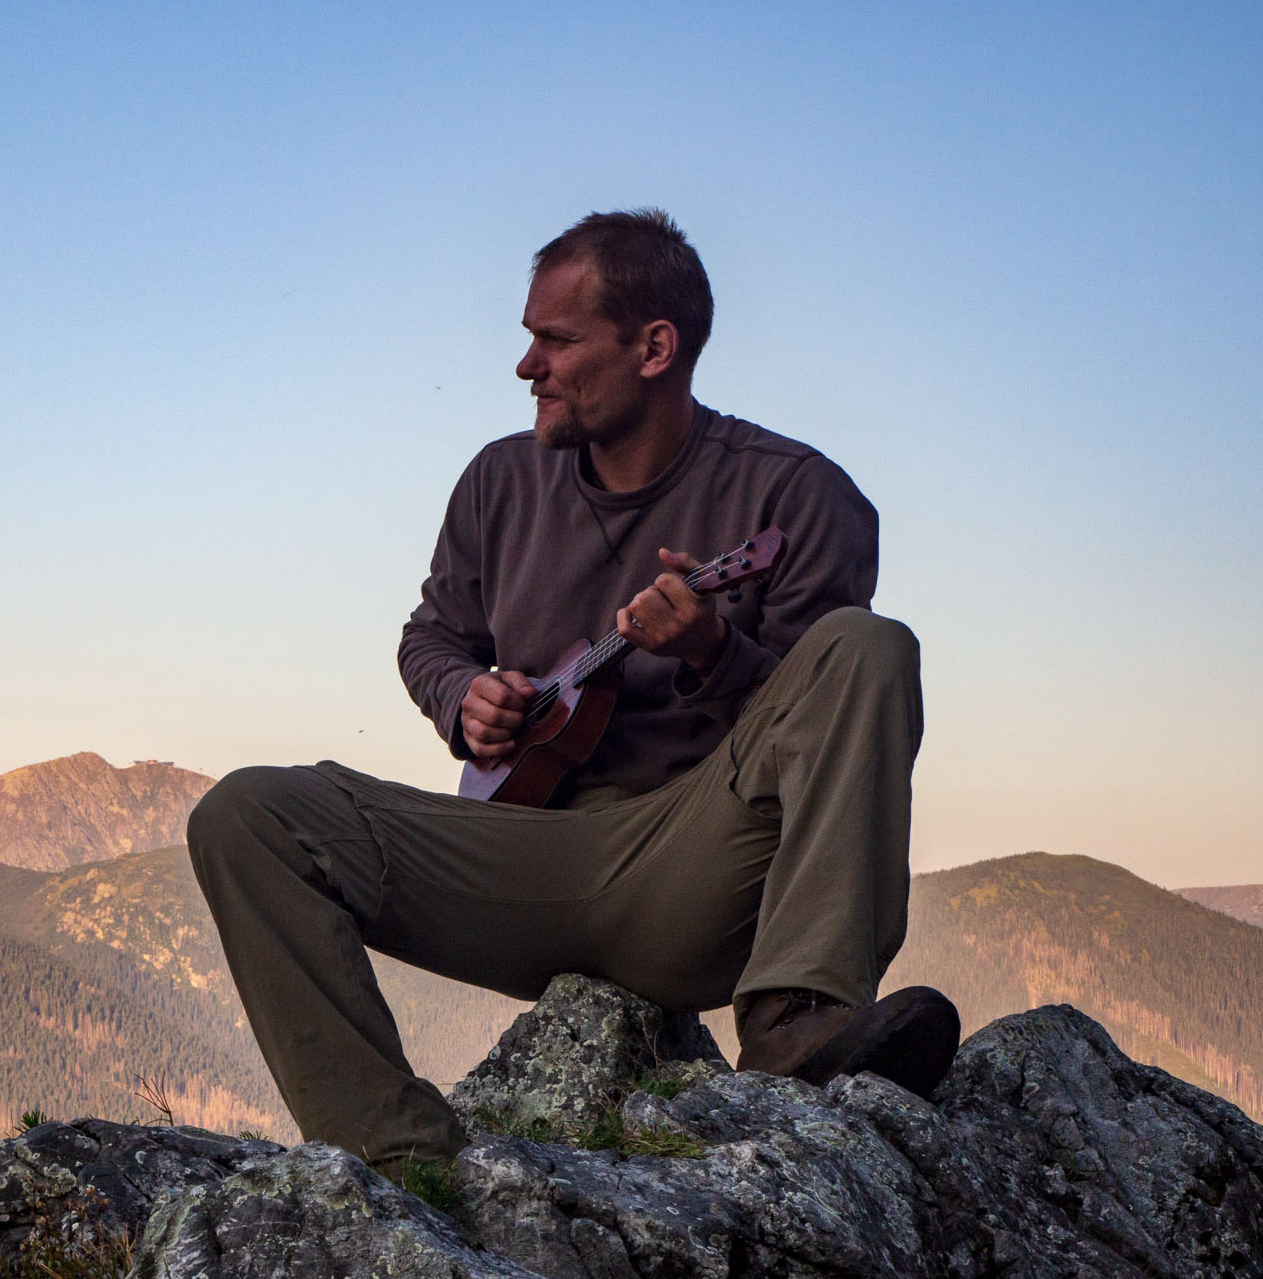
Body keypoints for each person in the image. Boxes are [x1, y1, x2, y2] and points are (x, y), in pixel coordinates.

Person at [187, 209, 956, 1168]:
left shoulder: (799, 497)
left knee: (869, 647)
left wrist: (714, 649)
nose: (527, 366)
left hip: (693, 868)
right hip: (519, 850)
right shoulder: (499, 480)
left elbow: (823, 725)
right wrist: (463, 697)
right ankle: (397, 1162)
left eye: (554, 340)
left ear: (654, 348)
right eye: (528, 338)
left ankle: (798, 1019)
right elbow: (432, 634)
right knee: (246, 813)